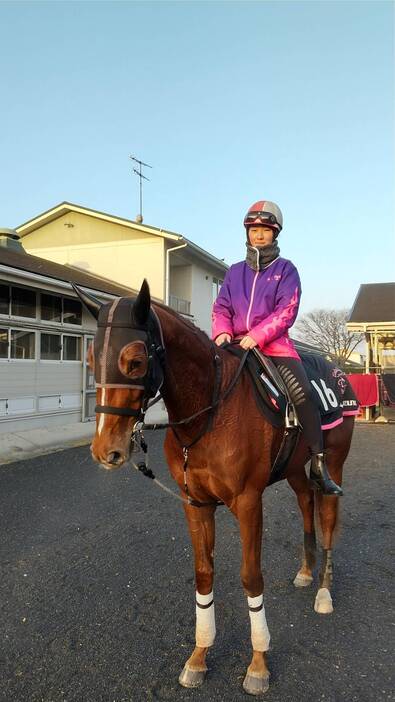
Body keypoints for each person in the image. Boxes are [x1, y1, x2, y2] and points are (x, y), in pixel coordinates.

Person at [212, 200, 343, 496]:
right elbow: (221, 307)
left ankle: (319, 464)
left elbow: (288, 309)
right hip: (232, 345)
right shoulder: (234, 272)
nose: (259, 235)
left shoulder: (286, 270)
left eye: (265, 231)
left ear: (275, 234)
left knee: (302, 393)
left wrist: (257, 335)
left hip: (274, 347)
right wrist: (221, 332)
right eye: (254, 230)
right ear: (247, 233)